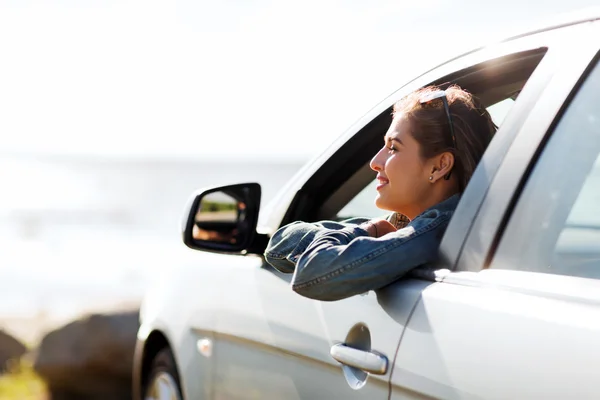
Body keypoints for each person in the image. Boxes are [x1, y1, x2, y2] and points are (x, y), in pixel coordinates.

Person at [264, 85, 497, 301]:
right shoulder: (412, 225)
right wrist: (368, 230)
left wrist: (367, 231)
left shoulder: (433, 232)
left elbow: (311, 273)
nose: (375, 162)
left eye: (393, 147)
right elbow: (278, 245)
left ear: (439, 166)